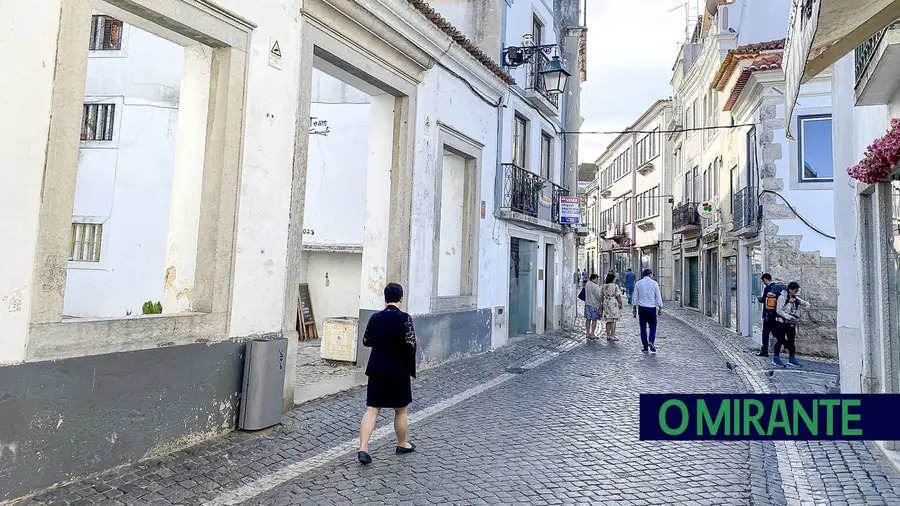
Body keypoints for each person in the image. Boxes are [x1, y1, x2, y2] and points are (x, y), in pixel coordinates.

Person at [358, 282, 417, 464]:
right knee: (400, 410)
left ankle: (363, 448)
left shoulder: (375, 318)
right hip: (398, 370)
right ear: (401, 298)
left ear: (385, 298)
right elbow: (411, 344)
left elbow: (366, 341)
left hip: (377, 369)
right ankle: (401, 443)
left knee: (372, 409)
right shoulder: (405, 319)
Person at [772, 281, 811, 368]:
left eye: (797, 291)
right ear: (790, 290)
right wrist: (789, 317)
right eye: (795, 291)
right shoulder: (782, 298)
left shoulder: (795, 298)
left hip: (791, 323)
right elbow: (779, 310)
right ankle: (776, 357)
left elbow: (804, 302)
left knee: (791, 341)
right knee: (780, 340)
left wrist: (808, 305)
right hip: (781, 322)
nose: (796, 293)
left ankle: (792, 358)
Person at [632, 268, 663, 353]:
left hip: (642, 308)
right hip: (651, 308)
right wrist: (660, 307)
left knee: (643, 328)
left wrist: (634, 307)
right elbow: (658, 296)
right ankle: (651, 341)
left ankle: (645, 346)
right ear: (650, 274)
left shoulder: (638, 283)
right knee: (653, 326)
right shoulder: (654, 283)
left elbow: (635, 296)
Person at [757, 273, 778, 357]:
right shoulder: (776, 287)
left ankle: (764, 351)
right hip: (774, 314)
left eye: (763, 281)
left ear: (765, 279)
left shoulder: (767, 288)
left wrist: (760, 299)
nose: (763, 283)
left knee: (765, 332)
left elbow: (764, 300)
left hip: (767, 314)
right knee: (774, 332)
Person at [601, 273, 623, 341]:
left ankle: (608, 335)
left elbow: (601, 295)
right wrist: (620, 303)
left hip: (606, 302)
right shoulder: (615, 286)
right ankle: (612, 335)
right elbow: (618, 295)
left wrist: (602, 303)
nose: (615, 279)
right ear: (612, 279)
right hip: (613, 302)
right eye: (614, 278)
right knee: (613, 320)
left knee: (608, 320)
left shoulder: (604, 286)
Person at [583, 273, 603, 339]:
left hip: (587, 304)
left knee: (588, 319)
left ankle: (587, 333)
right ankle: (592, 334)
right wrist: (602, 300)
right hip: (594, 305)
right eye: (597, 279)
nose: (598, 281)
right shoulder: (595, 286)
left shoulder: (587, 284)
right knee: (594, 320)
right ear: (593, 279)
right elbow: (598, 296)